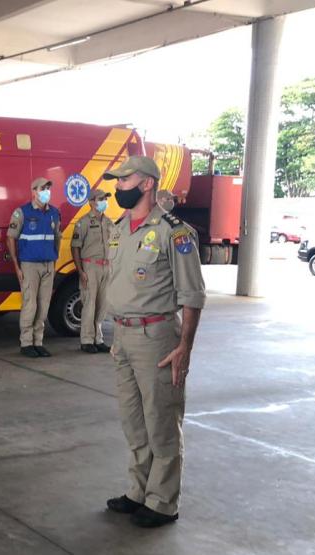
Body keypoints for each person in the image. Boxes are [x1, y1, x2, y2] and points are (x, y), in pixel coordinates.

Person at [102, 156, 205, 528]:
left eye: (124, 180)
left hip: (157, 336)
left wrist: (185, 347)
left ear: (147, 184)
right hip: (124, 335)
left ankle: (163, 502)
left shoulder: (174, 232)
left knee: (161, 420)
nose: (118, 187)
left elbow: (192, 295)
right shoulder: (120, 228)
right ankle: (138, 491)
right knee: (133, 420)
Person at [6, 177, 61, 358]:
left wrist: (54, 261)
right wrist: (16, 265)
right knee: (30, 304)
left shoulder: (54, 212)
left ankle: (38, 342)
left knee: (43, 305)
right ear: (34, 191)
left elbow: (56, 239)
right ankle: (26, 343)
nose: (47, 191)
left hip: (48, 265)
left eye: (48, 188)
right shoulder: (22, 213)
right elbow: (11, 238)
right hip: (29, 265)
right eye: (43, 188)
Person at [71, 188, 114, 353]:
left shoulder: (108, 222)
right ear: (91, 202)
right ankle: (86, 340)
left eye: (105, 198)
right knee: (89, 303)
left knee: (102, 305)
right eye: (101, 198)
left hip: (106, 266)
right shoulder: (83, 222)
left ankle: (98, 338)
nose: (104, 201)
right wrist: (80, 270)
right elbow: (75, 247)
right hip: (90, 266)